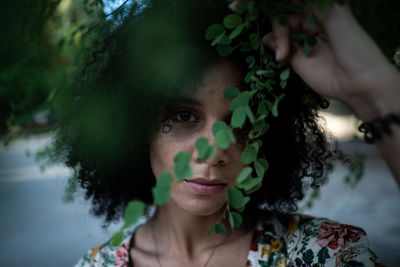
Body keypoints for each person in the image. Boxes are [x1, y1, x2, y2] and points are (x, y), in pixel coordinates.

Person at [66, 0, 399, 266]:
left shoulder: (324, 254)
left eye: (241, 122)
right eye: (184, 115)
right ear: (137, 124)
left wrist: (373, 91)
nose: (214, 151)